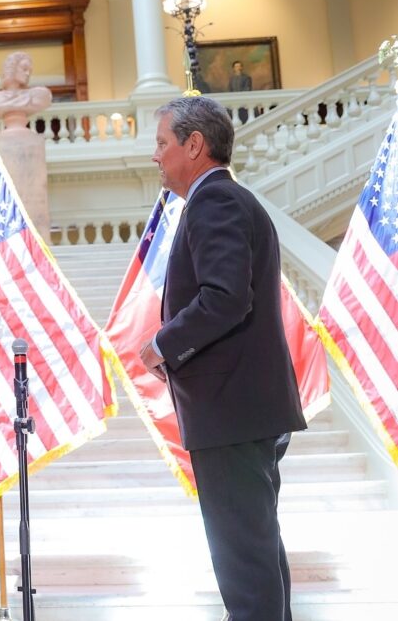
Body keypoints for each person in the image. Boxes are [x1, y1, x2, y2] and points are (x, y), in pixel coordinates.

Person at [139, 96, 307, 621]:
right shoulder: (227, 200)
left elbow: (226, 299)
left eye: (162, 143)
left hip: (232, 412)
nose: (155, 156)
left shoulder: (215, 202)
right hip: (243, 409)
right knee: (255, 549)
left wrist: (162, 344)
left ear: (195, 144)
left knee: (243, 560)